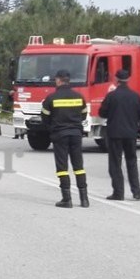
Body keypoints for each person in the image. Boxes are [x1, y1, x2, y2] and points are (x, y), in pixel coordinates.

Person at [41, 70, 89, 208]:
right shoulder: (79, 96)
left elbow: (45, 118)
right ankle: (84, 200)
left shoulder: (51, 98)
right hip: (76, 134)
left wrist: (52, 128)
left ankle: (67, 199)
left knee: (62, 167)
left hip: (59, 134)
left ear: (58, 80)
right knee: (78, 166)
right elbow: (84, 115)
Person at [99, 69, 140, 201]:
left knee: (115, 163)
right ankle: (137, 191)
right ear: (128, 79)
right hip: (130, 133)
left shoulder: (111, 96)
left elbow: (102, 112)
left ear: (116, 79)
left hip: (115, 133)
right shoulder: (135, 96)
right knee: (132, 162)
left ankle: (118, 193)